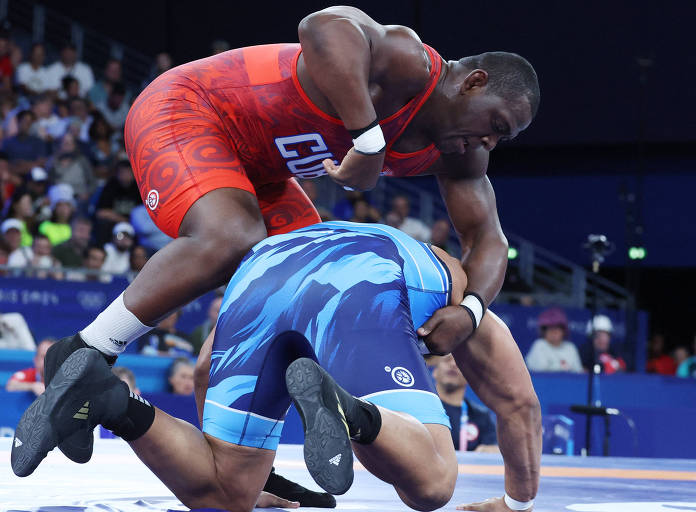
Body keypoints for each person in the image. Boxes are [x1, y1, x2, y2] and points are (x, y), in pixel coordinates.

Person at [38, 6, 540, 508]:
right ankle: (88, 349)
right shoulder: (409, 64)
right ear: (472, 82)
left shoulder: (462, 155)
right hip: (189, 110)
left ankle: (246, 467)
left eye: (503, 138)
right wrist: (369, 139)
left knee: (296, 278)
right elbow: (322, 25)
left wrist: (470, 310)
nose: (489, 142)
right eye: (494, 124)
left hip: (262, 170)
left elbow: (488, 240)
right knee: (232, 237)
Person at [13, 222, 540, 512]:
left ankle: (109, 400)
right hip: (366, 278)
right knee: (433, 485)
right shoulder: (461, 298)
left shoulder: (305, 252)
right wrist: (517, 506)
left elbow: (203, 371)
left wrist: (240, 461)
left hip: (259, 273)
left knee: (224, 496)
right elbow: (517, 403)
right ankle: (348, 411)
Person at [426, 354, 498, 453]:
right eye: (447, 360)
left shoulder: (481, 416)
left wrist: (491, 452)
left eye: (459, 362)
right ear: (435, 372)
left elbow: (494, 452)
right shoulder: (421, 406)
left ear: (469, 377)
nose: (453, 364)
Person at [525, 308, 583, 373]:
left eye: (557, 328)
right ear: (544, 332)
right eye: (550, 329)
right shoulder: (539, 345)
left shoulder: (570, 347)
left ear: (563, 331)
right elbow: (541, 369)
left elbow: (578, 372)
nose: (554, 332)